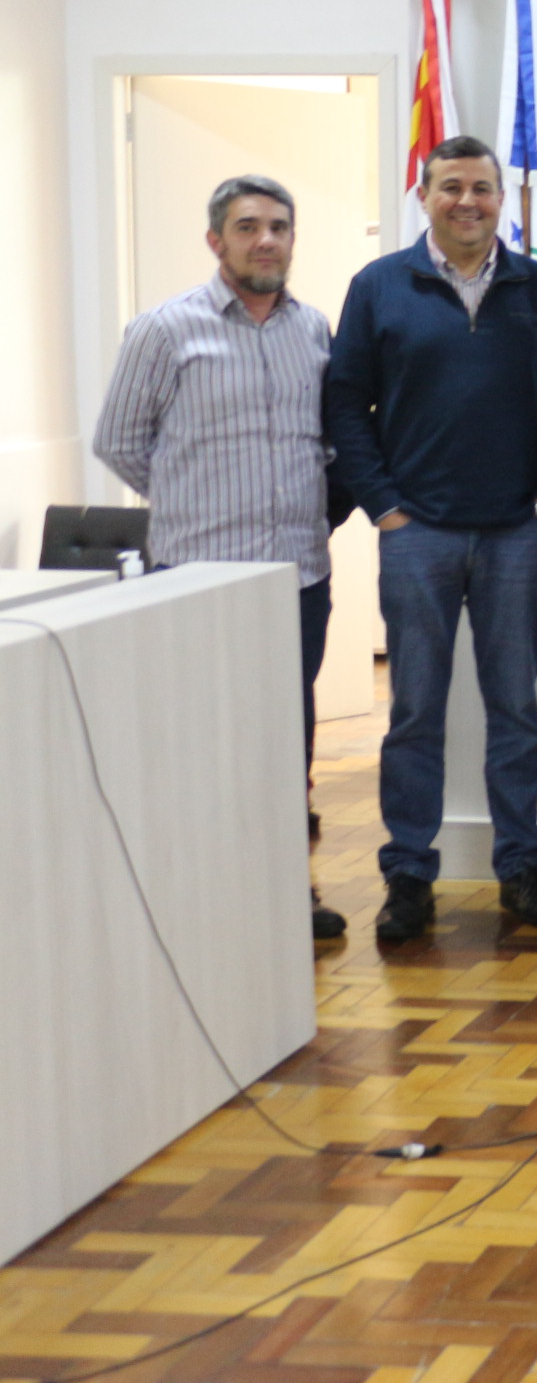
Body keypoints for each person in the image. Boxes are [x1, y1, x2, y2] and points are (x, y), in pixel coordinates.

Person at [324, 135, 537, 943]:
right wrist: (384, 506)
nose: (466, 201)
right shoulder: (378, 287)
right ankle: (409, 873)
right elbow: (345, 405)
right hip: (418, 535)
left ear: (501, 200)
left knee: (516, 709)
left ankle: (522, 870)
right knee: (414, 713)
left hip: (515, 532)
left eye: (481, 187)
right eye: (450, 187)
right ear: (425, 196)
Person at [94, 173, 349, 942]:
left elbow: (328, 439)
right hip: (197, 579)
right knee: (200, 743)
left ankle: (284, 892)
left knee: (287, 744)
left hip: (297, 576)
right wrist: (192, 501)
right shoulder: (165, 330)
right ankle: (200, 897)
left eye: (278, 226)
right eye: (247, 227)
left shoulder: (315, 330)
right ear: (216, 241)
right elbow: (118, 442)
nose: (265, 240)